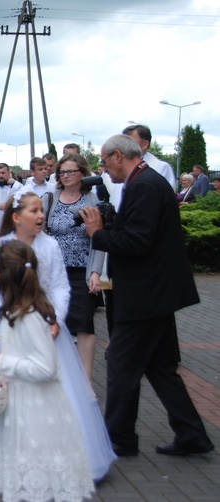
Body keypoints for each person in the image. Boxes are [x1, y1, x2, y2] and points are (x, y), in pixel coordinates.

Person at [82, 134, 214, 457]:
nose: (103, 170)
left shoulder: (144, 185)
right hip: (155, 294)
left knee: (121, 364)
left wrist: (98, 234)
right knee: (160, 368)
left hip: (144, 297)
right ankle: (192, 434)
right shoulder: (145, 182)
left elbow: (139, 243)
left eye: (104, 161)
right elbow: (139, 235)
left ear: (117, 156)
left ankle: (119, 439)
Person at [0, 191, 116, 480]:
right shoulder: (0, 245)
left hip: (46, 326)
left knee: (53, 389)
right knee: (8, 391)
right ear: (16, 217)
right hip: (10, 325)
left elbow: (59, 287)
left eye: (42, 211)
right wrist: (11, 313)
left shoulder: (50, 245)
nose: (41, 216)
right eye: (34, 211)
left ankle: (60, 457)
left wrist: (55, 320)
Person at [0, 239, 95, 502]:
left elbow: (45, 368)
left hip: (34, 411)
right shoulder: (17, 312)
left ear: (3, 277)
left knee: (35, 479)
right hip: (20, 406)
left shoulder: (29, 317)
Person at [42, 153, 105, 382]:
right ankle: (56, 376)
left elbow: (98, 240)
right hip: (53, 272)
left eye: (71, 171)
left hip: (81, 270)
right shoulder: (50, 198)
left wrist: (96, 273)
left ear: (82, 174)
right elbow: (39, 232)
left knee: (84, 325)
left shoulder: (92, 200)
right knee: (54, 321)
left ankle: (85, 382)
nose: (66, 176)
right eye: (62, 172)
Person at [122, 124, 177, 190]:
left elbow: (167, 197)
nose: (124, 146)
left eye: (130, 142)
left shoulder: (162, 168)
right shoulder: (117, 167)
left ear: (145, 144)